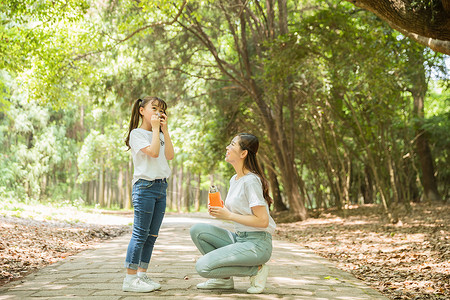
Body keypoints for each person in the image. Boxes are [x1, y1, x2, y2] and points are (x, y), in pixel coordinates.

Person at [190, 133, 276, 294]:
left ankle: (256, 270)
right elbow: (243, 212)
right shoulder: (235, 179)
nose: (227, 148)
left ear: (243, 153)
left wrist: (228, 216)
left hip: (257, 244)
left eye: (232, 144)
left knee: (202, 267)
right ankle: (223, 281)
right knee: (197, 230)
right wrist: (222, 210)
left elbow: (263, 221)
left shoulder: (251, 181)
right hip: (240, 238)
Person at [122, 96, 174, 293]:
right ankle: (129, 278)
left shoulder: (159, 133)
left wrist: (164, 131)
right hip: (144, 187)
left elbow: (169, 155)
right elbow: (152, 152)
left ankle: (141, 275)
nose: (158, 113)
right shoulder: (137, 134)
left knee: (152, 236)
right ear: (142, 110)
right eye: (154, 108)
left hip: (161, 187)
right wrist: (154, 129)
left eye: (161, 109)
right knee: (140, 234)